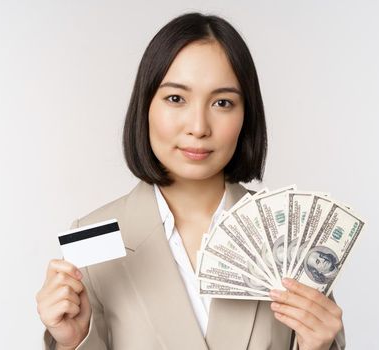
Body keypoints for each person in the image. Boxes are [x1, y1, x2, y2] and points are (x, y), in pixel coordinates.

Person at [36, 12, 346, 350]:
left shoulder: (289, 235)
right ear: (146, 107)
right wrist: (73, 341)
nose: (199, 126)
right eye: (175, 99)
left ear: (246, 115)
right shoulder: (94, 235)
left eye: (222, 102)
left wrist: (318, 347)